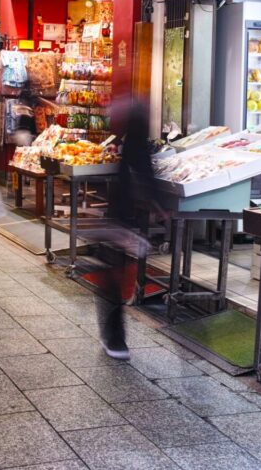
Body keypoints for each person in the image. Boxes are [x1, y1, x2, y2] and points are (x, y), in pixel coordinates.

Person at [89, 99, 159, 360]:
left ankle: (113, 336)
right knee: (115, 278)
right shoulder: (136, 144)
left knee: (113, 276)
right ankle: (113, 337)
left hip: (118, 219)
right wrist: (159, 204)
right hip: (123, 220)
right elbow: (144, 174)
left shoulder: (130, 142)